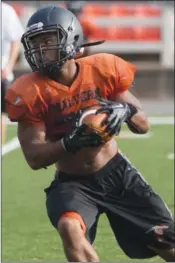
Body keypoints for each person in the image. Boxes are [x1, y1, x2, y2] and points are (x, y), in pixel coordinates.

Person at [5, 6, 175, 262]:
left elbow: (143, 124)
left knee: (165, 241)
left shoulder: (101, 69)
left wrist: (125, 110)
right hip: (74, 183)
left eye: (48, 40)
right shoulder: (30, 91)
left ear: (71, 39)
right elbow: (34, 157)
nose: (40, 49)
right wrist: (68, 143)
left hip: (118, 175)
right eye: (36, 42)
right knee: (69, 227)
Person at [1, 1, 24, 144]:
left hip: (2, 73)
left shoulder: (6, 11)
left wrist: (8, 66)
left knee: (1, 115)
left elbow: (15, 40)